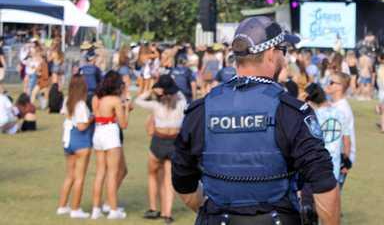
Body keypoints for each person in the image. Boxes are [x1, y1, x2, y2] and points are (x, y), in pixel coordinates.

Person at [172, 16, 340, 225]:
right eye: (283, 51)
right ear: (271, 54)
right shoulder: (292, 113)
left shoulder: (200, 110)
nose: (285, 58)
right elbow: (324, 185)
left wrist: (215, 211)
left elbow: (183, 182)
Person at [135, 75, 187, 223]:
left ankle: (153, 208)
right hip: (174, 142)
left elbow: (138, 100)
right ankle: (167, 213)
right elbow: (181, 94)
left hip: (158, 141)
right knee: (168, 180)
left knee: (152, 174)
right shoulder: (181, 102)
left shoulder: (156, 105)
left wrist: (151, 88)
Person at [91, 71, 130, 220]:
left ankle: (96, 209)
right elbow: (124, 124)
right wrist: (126, 108)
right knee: (113, 173)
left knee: (100, 172)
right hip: (110, 133)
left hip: (98, 132)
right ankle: (113, 210)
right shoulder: (114, 100)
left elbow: (97, 114)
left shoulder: (96, 98)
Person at [57, 75, 94, 219]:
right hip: (81, 141)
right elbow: (82, 126)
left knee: (70, 176)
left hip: (68, 140)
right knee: (80, 177)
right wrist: (92, 118)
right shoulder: (81, 105)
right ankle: (75, 209)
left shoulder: (67, 100)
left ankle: (62, 206)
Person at [325, 72, 355, 186]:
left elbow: (346, 140)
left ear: (340, 87)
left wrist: (345, 163)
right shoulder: (334, 105)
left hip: (339, 161)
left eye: (331, 82)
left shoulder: (342, 109)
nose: (328, 85)